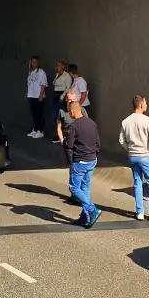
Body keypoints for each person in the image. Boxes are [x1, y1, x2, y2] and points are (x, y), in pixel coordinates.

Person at [120, 95, 149, 221]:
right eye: (145, 103)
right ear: (141, 105)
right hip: (145, 155)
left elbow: (121, 140)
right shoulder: (147, 120)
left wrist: (129, 149)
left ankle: (139, 212)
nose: (147, 105)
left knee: (137, 182)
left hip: (133, 156)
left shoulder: (126, 121)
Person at [65, 94, 100, 228]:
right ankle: (85, 216)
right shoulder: (92, 123)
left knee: (74, 187)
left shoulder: (73, 126)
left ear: (73, 111)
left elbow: (69, 145)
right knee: (85, 188)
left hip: (80, 161)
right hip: (92, 160)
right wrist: (94, 153)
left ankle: (92, 209)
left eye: (69, 111)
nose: (69, 113)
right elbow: (98, 143)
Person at [25, 56, 48, 139]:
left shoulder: (41, 72)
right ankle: (35, 129)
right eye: (32, 62)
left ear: (37, 63)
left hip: (38, 96)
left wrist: (41, 95)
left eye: (35, 62)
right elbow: (29, 84)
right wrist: (27, 93)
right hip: (31, 96)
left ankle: (40, 131)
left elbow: (43, 84)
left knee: (39, 114)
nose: (33, 63)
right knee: (34, 114)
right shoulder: (30, 72)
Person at [50, 60, 72, 143]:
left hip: (61, 96)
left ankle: (62, 135)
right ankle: (58, 134)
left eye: (59, 65)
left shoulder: (66, 76)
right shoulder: (57, 74)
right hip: (55, 95)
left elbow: (68, 88)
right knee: (55, 115)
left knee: (60, 115)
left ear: (63, 66)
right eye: (57, 65)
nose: (57, 67)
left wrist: (62, 96)